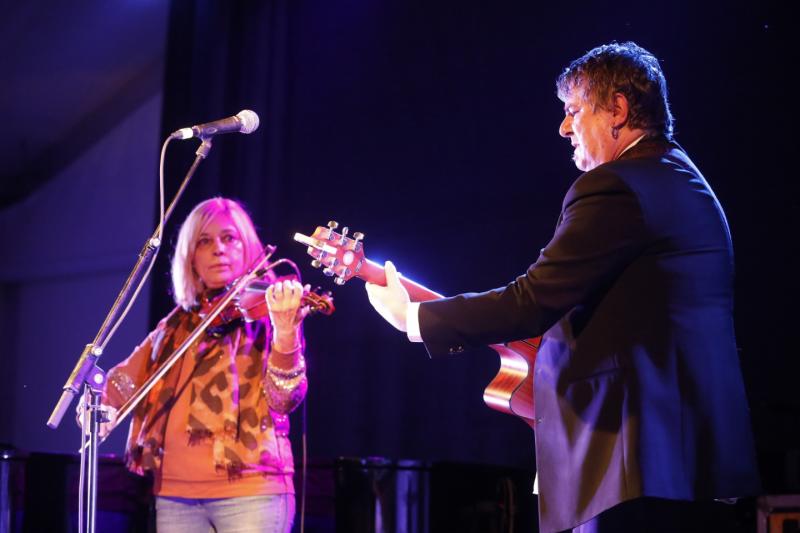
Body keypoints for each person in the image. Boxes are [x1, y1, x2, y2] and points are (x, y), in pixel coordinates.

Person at [364, 42, 761, 532]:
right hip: (687, 461)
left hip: (632, 465)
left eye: (574, 111)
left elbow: (533, 300)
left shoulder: (618, 184)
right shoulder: (679, 177)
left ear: (617, 109)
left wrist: (414, 318)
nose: (564, 127)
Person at [83, 198, 308, 532]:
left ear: (247, 247)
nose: (218, 249)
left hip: (251, 494)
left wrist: (286, 332)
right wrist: (99, 405)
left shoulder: (266, 316)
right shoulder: (175, 326)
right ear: (191, 258)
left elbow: (284, 399)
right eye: (204, 241)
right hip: (174, 495)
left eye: (229, 238)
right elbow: (122, 382)